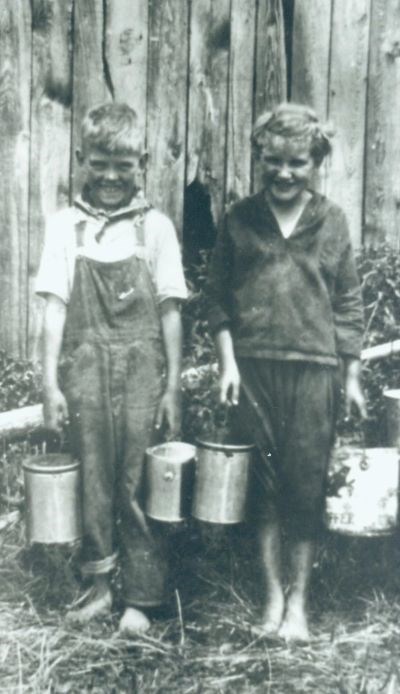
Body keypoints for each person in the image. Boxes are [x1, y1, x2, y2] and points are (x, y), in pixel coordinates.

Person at [206, 103, 366, 642]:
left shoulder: (333, 221)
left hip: (313, 373)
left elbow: (347, 303)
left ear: (315, 162)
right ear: (260, 159)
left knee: (304, 488)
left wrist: (351, 377)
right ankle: (272, 597)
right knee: (265, 488)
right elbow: (219, 302)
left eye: (297, 162)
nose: (283, 173)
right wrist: (228, 365)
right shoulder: (239, 219)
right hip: (254, 372)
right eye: (273, 161)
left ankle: (300, 604)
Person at [36, 102, 187, 635]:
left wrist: (173, 386)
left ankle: (141, 600)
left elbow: (170, 310)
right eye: (100, 163)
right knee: (94, 474)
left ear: (142, 163)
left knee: (137, 476)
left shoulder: (157, 229)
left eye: (123, 165)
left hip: (143, 367)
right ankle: (100, 587)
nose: (110, 176)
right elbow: (54, 307)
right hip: (85, 366)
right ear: (82, 158)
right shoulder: (65, 227)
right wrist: (50, 381)